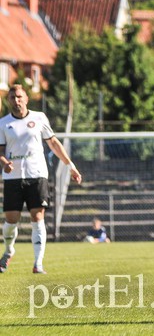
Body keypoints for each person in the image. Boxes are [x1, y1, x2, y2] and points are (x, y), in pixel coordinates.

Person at [0, 84, 82, 274]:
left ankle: (38, 263)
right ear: (8, 100)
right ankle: (9, 250)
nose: (16, 100)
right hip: (13, 177)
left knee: (38, 218)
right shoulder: (3, 123)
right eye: (12, 97)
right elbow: (1, 150)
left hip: (37, 175)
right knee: (11, 220)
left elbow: (53, 142)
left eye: (19, 97)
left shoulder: (39, 118)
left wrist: (71, 166)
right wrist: (4, 162)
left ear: (26, 98)